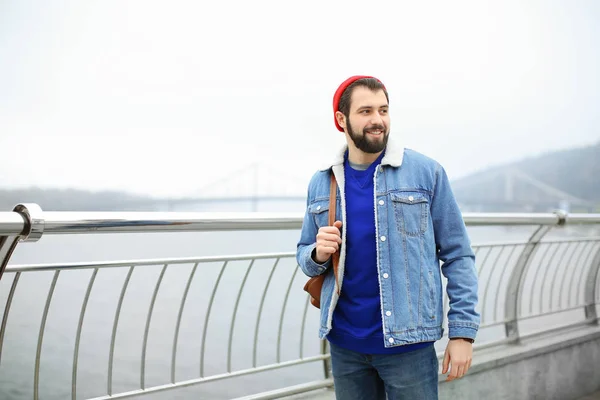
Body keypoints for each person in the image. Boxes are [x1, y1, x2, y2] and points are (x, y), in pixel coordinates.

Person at [296, 75, 480, 399]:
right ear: (342, 119)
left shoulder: (426, 172)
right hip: (344, 344)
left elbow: (458, 254)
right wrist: (317, 254)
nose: (377, 120)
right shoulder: (322, 182)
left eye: (383, 110)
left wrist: (462, 334)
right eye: (365, 111)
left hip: (408, 345)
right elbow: (304, 255)